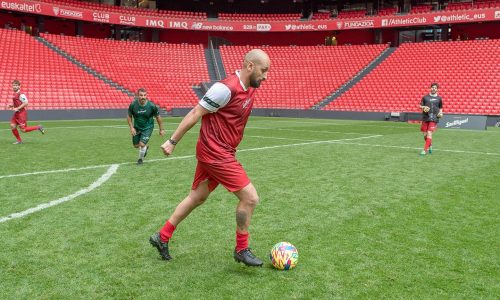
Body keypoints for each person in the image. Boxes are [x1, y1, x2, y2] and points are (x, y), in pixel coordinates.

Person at [149, 49, 271, 267]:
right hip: (216, 153)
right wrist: (173, 141)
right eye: (264, 70)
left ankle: (162, 236)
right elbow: (196, 112)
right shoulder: (224, 89)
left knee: (197, 197)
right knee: (250, 198)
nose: (266, 76)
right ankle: (242, 249)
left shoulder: (249, 87)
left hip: (221, 151)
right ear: (250, 66)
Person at [127, 88, 165, 164]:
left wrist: (161, 129)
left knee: (141, 144)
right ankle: (146, 147)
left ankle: (140, 159)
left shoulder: (151, 106)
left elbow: (158, 117)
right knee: (136, 145)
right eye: (141, 95)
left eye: (145, 95)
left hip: (148, 127)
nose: (143, 97)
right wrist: (131, 128)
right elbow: (129, 116)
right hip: (137, 127)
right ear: (137, 95)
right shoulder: (133, 105)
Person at [7, 79, 44, 144]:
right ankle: (19, 140)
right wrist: (12, 105)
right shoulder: (14, 94)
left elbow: (26, 103)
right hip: (16, 113)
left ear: (19, 86)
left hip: (21, 114)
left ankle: (38, 127)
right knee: (12, 126)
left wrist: (17, 108)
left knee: (23, 130)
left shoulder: (21, 94)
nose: (14, 86)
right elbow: (18, 102)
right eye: (13, 85)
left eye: (16, 85)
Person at [420, 82, 443, 156]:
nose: (434, 89)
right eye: (432, 87)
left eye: (435, 88)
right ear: (430, 88)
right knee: (425, 135)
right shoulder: (425, 97)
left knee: (429, 133)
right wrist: (424, 107)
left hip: (434, 118)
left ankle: (424, 150)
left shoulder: (439, 98)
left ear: (437, 89)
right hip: (425, 117)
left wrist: (441, 113)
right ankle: (430, 145)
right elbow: (420, 106)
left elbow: (440, 108)